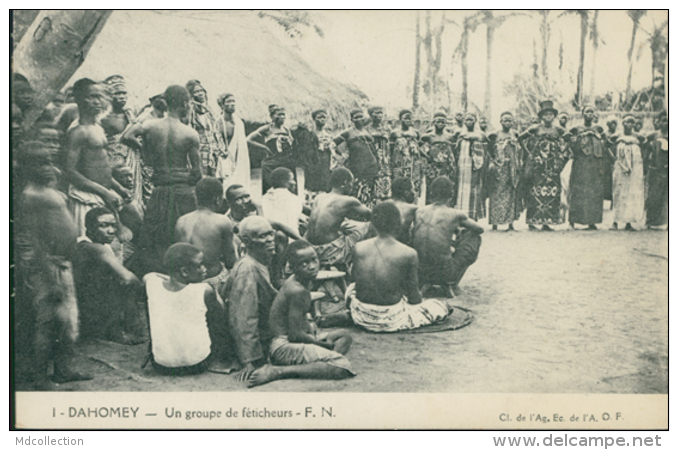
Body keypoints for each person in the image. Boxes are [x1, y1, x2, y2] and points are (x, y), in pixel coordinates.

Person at [14, 141, 93, 389]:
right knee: (48, 324)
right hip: (50, 267)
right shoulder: (30, 196)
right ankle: (39, 376)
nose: (48, 167)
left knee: (68, 322)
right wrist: (49, 276)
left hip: (63, 264)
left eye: (50, 161)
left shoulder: (47, 187)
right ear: (25, 167)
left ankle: (63, 369)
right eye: (40, 163)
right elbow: (34, 241)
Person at [246, 240, 355, 387]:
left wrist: (315, 341)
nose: (312, 266)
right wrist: (323, 345)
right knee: (342, 366)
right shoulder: (298, 291)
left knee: (344, 336)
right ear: (292, 267)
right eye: (304, 264)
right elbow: (295, 335)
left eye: (314, 260)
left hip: (294, 339)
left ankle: (317, 362)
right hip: (283, 347)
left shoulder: (299, 280)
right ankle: (279, 371)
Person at [121, 85, 202, 275]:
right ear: (184, 104)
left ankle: (156, 276)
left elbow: (126, 136)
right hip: (182, 189)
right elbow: (197, 173)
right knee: (183, 236)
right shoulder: (190, 133)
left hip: (159, 187)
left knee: (155, 239)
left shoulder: (149, 125)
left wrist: (144, 150)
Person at [348, 201, 449, 332]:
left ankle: (347, 316)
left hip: (360, 314)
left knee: (350, 289)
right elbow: (414, 298)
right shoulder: (408, 253)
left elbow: (355, 279)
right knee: (441, 307)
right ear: (398, 223)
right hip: (391, 318)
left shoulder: (358, 247)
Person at [145, 243, 237, 375]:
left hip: (160, 365)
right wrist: (216, 293)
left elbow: (153, 275)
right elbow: (220, 322)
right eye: (200, 265)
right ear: (184, 271)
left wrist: (172, 278)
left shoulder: (150, 283)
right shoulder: (204, 290)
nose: (204, 268)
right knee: (213, 315)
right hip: (197, 364)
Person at [65, 78, 127, 236]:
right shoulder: (78, 131)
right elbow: (70, 171)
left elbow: (99, 166)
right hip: (86, 198)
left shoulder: (98, 127)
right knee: (90, 246)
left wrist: (118, 188)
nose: (98, 101)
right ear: (79, 99)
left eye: (100, 96)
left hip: (103, 195)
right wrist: (104, 192)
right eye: (92, 97)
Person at [73, 207, 145, 344]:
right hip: (90, 309)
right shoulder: (95, 248)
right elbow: (127, 277)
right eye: (103, 226)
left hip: (86, 307)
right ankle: (117, 332)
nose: (111, 231)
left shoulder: (88, 243)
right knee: (126, 283)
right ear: (90, 227)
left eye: (113, 225)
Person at [220, 216, 279, 381]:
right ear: (247, 241)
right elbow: (243, 315)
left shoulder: (259, 261)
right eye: (261, 236)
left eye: (270, 234)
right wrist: (249, 359)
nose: (270, 240)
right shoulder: (248, 268)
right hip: (258, 338)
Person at [412, 177, 483, 296]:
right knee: (474, 237)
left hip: (420, 271)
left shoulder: (419, 211)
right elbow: (479, 229)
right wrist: (459, 232)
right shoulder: (455, 214)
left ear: (431, 193)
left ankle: (425, 282)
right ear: (451, 195)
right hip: (444, 272)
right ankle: (452, 283)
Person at [174, 177, 237, 292]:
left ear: (196, 197)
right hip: (211, 281)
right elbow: (231, 259)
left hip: (186, 281)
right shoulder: (222, 221)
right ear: (218, 199)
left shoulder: (181, 221)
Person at [304, 168, 372, 271]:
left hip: (311, 246)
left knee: (346, 223)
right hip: (329, 250)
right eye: (351, 183)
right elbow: (374, 215)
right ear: (345, 183)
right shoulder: (348, 201)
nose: (352, 187)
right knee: (368, 226)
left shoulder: (320, 197)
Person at [519, 100, 569, 231]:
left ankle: (547, 222)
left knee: (551, 192)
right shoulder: (535, 128)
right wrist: (529, 153)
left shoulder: (558, 129)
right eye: (546, 114)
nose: (548, 117)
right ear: (541, 116)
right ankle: (532, 221)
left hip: (553, 165)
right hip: (538, 165)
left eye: (551, 114)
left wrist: (562, 152)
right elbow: (520, 138)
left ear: (554, 116)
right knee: (535, 191)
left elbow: (569, 137)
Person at [100, 75, 147, 207]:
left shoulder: (130, 114)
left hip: (133, 162)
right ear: (109, 96)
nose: (122, 97)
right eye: (118, 93)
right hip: (114, 162)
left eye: (124, 93)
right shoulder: (104, 117)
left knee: (134, 194)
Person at [567, 105, 607, 230]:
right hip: (581, 164)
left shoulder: (598, 128)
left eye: (592, 111)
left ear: (594, 114)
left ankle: (592, 221)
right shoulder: (576, 128)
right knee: (578, 190)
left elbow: (606, 141)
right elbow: (567, 139)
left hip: (595, 163)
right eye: (587, 111)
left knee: (594, 191)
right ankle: (573, 220)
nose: (589, 114)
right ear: (582, 113)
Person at [333, 109, 380, 207]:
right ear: (352, 120)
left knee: (371, 191)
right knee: (358, 190)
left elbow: (373, 149)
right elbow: (332, 144)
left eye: (361, 116)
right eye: (356, 117)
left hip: (371, 165)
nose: (359, 119)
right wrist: (340, 154)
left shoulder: (368, 131)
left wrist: (377, 162)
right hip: (357, 166)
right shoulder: (348, 132)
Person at [248, 105, 296, 195]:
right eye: (278, 114)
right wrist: (264, 147)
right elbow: (249, 139)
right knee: (271, 188)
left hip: (286, 162)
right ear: (271, 116)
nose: (281, 117)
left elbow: (291, 142)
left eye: (283, 114)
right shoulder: (267, 128)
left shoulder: (286, 129)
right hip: (271, 163)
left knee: (289, 188)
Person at [487, 112, 522, 231]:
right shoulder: (495, 134)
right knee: (496, 193)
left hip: (511, 169)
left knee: (511, 194)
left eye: (509, 121)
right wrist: (494, 162)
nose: (507, 123)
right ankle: (495, 223)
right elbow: (489, 149)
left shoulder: (515, 134)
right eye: (505, 120)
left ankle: (510, 223)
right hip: (499, 169)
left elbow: (519, 149)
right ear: (500, 122)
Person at [291, 108, 334, 205]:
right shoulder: (309, 133)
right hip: (313, 160)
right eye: (319, 117)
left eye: (324, 117)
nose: (322, 119)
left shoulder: (328, 134)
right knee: (311, 182)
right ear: (314, 119)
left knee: (324, 182)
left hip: (326, 160)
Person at [610, 114, 645, 231]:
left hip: (635, 167)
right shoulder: (617, 136)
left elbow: (644, 148)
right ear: (623, 123)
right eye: (626, 122)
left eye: (631, 122)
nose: (629, 125)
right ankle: (615, 221)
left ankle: (628, 222)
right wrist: (614, 159)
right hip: (620, 167)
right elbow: (608, 145)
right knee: (618, 192)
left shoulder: (638, 137)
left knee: (631, 192)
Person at [186, 79, 225, 177]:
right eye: (196, 92)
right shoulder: (190, 112)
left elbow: (216, 131)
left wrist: (221, 147)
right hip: (199, 153)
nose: (200, 94)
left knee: (214, 181)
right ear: (191, 95)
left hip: (213, 152)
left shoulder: (209, 110)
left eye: (201, 91)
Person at [454, 112, 488, 221]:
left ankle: (473, 217)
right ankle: (461, 216)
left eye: (471, 120)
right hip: (462, 166)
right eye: (467, 120)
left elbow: (488, 147)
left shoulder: (480, 134)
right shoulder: (460, 134)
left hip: (475, 166)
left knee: (474, 189)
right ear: (464, 121)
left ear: (475, 121)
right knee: (461, 189)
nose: (469, 122)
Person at [214, 93, 250, 193]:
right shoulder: (218, 123)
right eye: (229, 101)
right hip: (224, 162)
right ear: (222, 105)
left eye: (233, 101)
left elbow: (242, 146)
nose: (232, 104)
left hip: (239, 161)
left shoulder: (239, 123)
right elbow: (216, 143)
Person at [421, 111, 457, 205]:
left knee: (446, 187)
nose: (440, 124)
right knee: (432, 188)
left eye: (442, 122)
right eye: (438, 121)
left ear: (446, 123)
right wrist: (426, 156)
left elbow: (455, 149)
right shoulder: (428, 136)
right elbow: (417, 145)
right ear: (434, 122)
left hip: (447, 168)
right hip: (433, 168)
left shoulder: (450, 136)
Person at [390, 109, 424, 202]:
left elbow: (419, 148)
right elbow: (391, 149)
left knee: (413, 185)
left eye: (410, 118)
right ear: (400, 119)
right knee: (399, 184)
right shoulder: (394, 133)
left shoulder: (415, 133)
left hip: (414, 164)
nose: (408, 121)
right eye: (405, 118)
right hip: (400, 163)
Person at [261, 167, 306, 236]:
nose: (294, 182)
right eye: (292, 179)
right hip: (291, 237)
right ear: (285, 183)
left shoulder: (263, 199)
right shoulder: (294, 199)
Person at [644, 111, 668, 229]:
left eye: (667, 121)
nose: (665, 123)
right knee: (654, 195)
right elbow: (646, 150)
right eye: (663, 120)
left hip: (667, 170)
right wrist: (646, 164)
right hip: (655, 169)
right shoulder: (654, 135)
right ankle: (650, 221)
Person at [366, 106, 392, 202]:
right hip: (372, 160)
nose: (380, 115)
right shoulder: (366, 129)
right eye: (377, 113)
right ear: (370, 115)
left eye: (381, 113)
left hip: (385, 161)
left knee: (385, 190)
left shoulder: (387, 129)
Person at [390, 177, 418, 245]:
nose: (414, 193)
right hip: (401, 248)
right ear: (406, 193)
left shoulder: (383, 205)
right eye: (413, 190)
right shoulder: (412, 208)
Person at [603, 118, 619, 203]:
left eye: (614, 124)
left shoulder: (618, 134)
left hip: (616, 157)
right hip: (607, 159)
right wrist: (612, 157)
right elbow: (605, 146)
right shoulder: (605, 134)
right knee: (607, 179)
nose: (613, 126)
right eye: (611, 124)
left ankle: (613, 200)